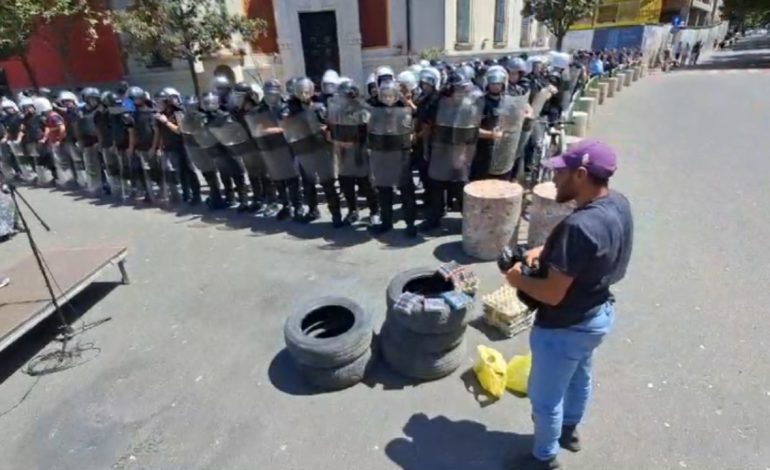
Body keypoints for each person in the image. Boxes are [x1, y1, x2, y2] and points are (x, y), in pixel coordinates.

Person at [505, 139, 633, 470]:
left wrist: (518, 278)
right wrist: (545, 250)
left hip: (565, 325)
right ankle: (570, 431)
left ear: (580, 174)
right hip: (597, 314)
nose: (555, 179)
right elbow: (587, 247)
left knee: (545, 399)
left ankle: (544, 459)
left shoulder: (580, 226)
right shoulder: (617, 204)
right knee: (580, 376)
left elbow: (551, 294)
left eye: (560, 172)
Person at [281, 77, 342, 226]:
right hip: (303, 149)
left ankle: (336, 214)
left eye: (306, 91)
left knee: (327, 184)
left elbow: (331, 125)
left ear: (312, 91)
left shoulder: (320, 107)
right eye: (300, 91)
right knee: (308, 183)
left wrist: (326, 129)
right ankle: (313, 210)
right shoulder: (290, 109)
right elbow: (285, 124)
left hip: (321, 149)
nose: (303, 94)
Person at [243, 79, 304, 220]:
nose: (271, 96)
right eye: (268, 93)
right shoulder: (258, 110)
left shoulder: (287, 107)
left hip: (287, 147)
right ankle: (285, 206)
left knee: (292, 179)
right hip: (269, 148)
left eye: (274, 93)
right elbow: (256, 128)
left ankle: (298, 206)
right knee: (277, 180)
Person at [367, 79, 416, 237]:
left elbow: (411, 124)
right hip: (381, 152)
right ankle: (386, 222)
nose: (388, 98)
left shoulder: (404, 107)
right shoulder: (374, 107)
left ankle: (410, 223)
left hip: (400, 152)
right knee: (383, 189)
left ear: (396, 95)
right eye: (385, 95)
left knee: (406, 190)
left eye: (391, 95)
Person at [328, 79, 379, 226]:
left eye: (347, 96)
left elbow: (368, 131)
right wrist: (334, 140)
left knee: (368, 185)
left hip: (360, 153)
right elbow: (330, 130)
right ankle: (352, 211)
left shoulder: (363, 110)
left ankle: (375, 212)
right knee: (347, 185)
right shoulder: (335, 112)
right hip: (342, 153)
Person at [154, 87, 201, 205]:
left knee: (189, 170)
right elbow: (160, 133)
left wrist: (166, 122)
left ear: (167, 101)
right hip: (170, 146)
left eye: (160, 101)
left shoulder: (177, 112)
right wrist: (159, 147)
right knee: (180, 171)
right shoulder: (161, 115)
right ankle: (186, 193)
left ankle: (196, 195)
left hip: (183, 145)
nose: (158, 104)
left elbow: (180, 130)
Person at [75, 87, 104, 196]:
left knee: (103, 164)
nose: (93, 101)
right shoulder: (81, 111)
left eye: (95, 99)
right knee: (91, 164)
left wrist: (101, 142)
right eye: (90, 99)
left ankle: (105, 185)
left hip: (99, 140)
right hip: (87, 141)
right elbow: (78, 126)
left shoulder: (101, 110)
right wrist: (80, 140)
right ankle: (95, 186)